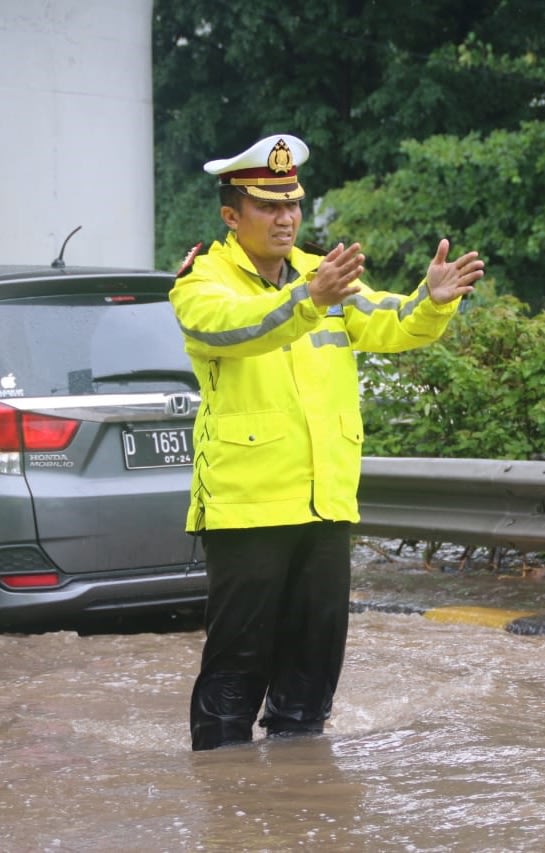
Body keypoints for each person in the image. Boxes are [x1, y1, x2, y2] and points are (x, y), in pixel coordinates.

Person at [169, 133, 484, 751]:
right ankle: (225, 804)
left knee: (314, 670)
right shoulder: (202, 279)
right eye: (268, 205)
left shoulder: (323, 274)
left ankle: (297, 795)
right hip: (247, 504)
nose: (286, 217)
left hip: (325, 501)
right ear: (232, 216)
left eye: (292, 204)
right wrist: (307, 301)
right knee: (236, 668)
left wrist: (431, 302)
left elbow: (387, 322)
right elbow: (235, 330)